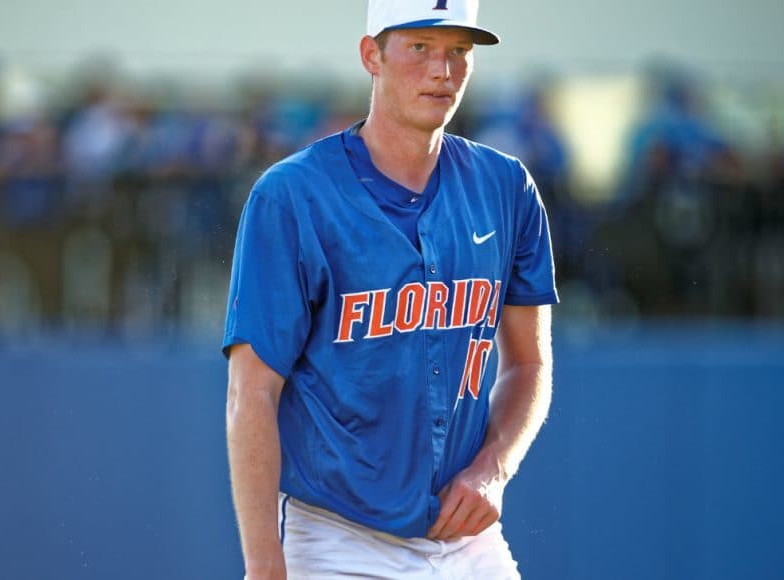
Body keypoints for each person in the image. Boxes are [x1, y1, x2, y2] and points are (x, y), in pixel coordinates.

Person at [222, 1, 558, 577]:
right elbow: (250, 394)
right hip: (337, 538)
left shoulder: (507, 187)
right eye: (420, 47)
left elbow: (528, 365)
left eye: (459, 51)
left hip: (467, 540)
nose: (442, 70)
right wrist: (263, 567)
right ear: (371, 55)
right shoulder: (291, 196)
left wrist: (494, 468)